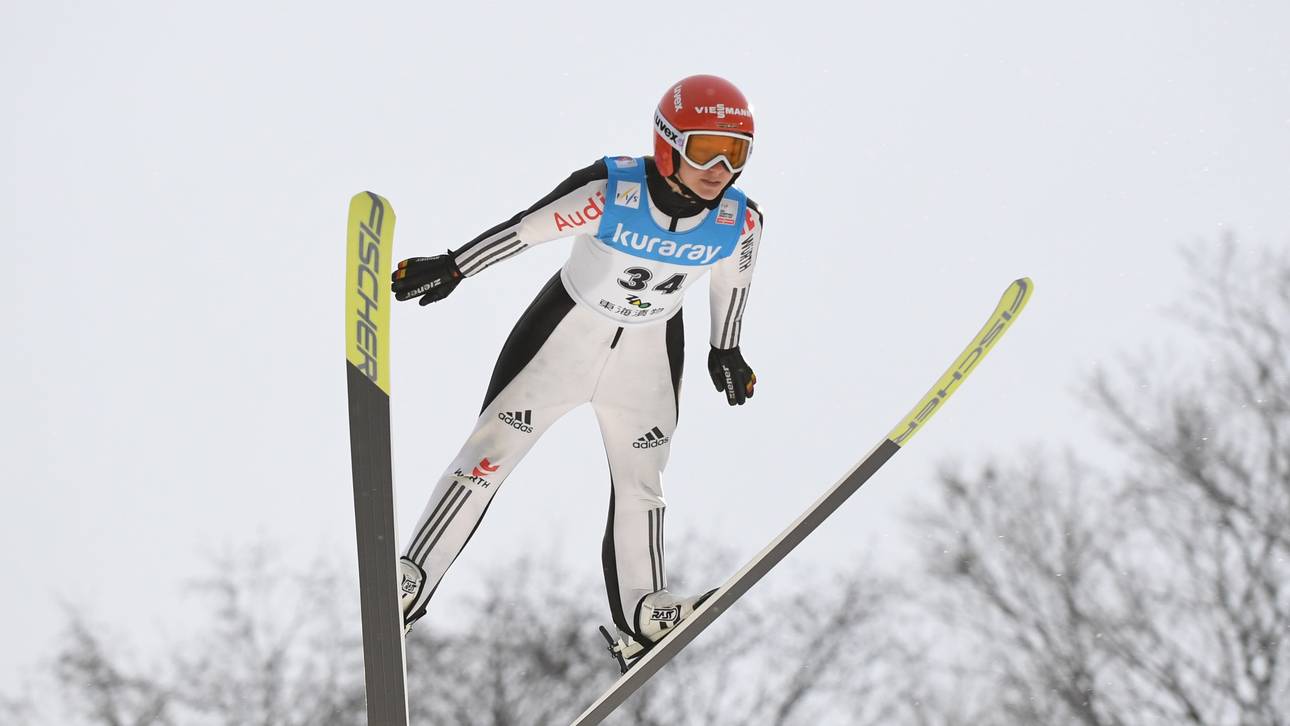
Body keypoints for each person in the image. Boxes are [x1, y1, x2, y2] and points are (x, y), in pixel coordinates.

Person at [390, 74, 764, 663]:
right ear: (668, 143)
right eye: (703, 149)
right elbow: (525, 230)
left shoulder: (739, 222)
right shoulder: (613, 190)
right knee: (486, 459)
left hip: (647, 359)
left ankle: (643, 615)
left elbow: (733, 284)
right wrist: (456, 266)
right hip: (562, 340)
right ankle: (409, 581)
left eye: (736, 152)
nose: (719, 166)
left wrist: (728, 350)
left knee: (642, 483)